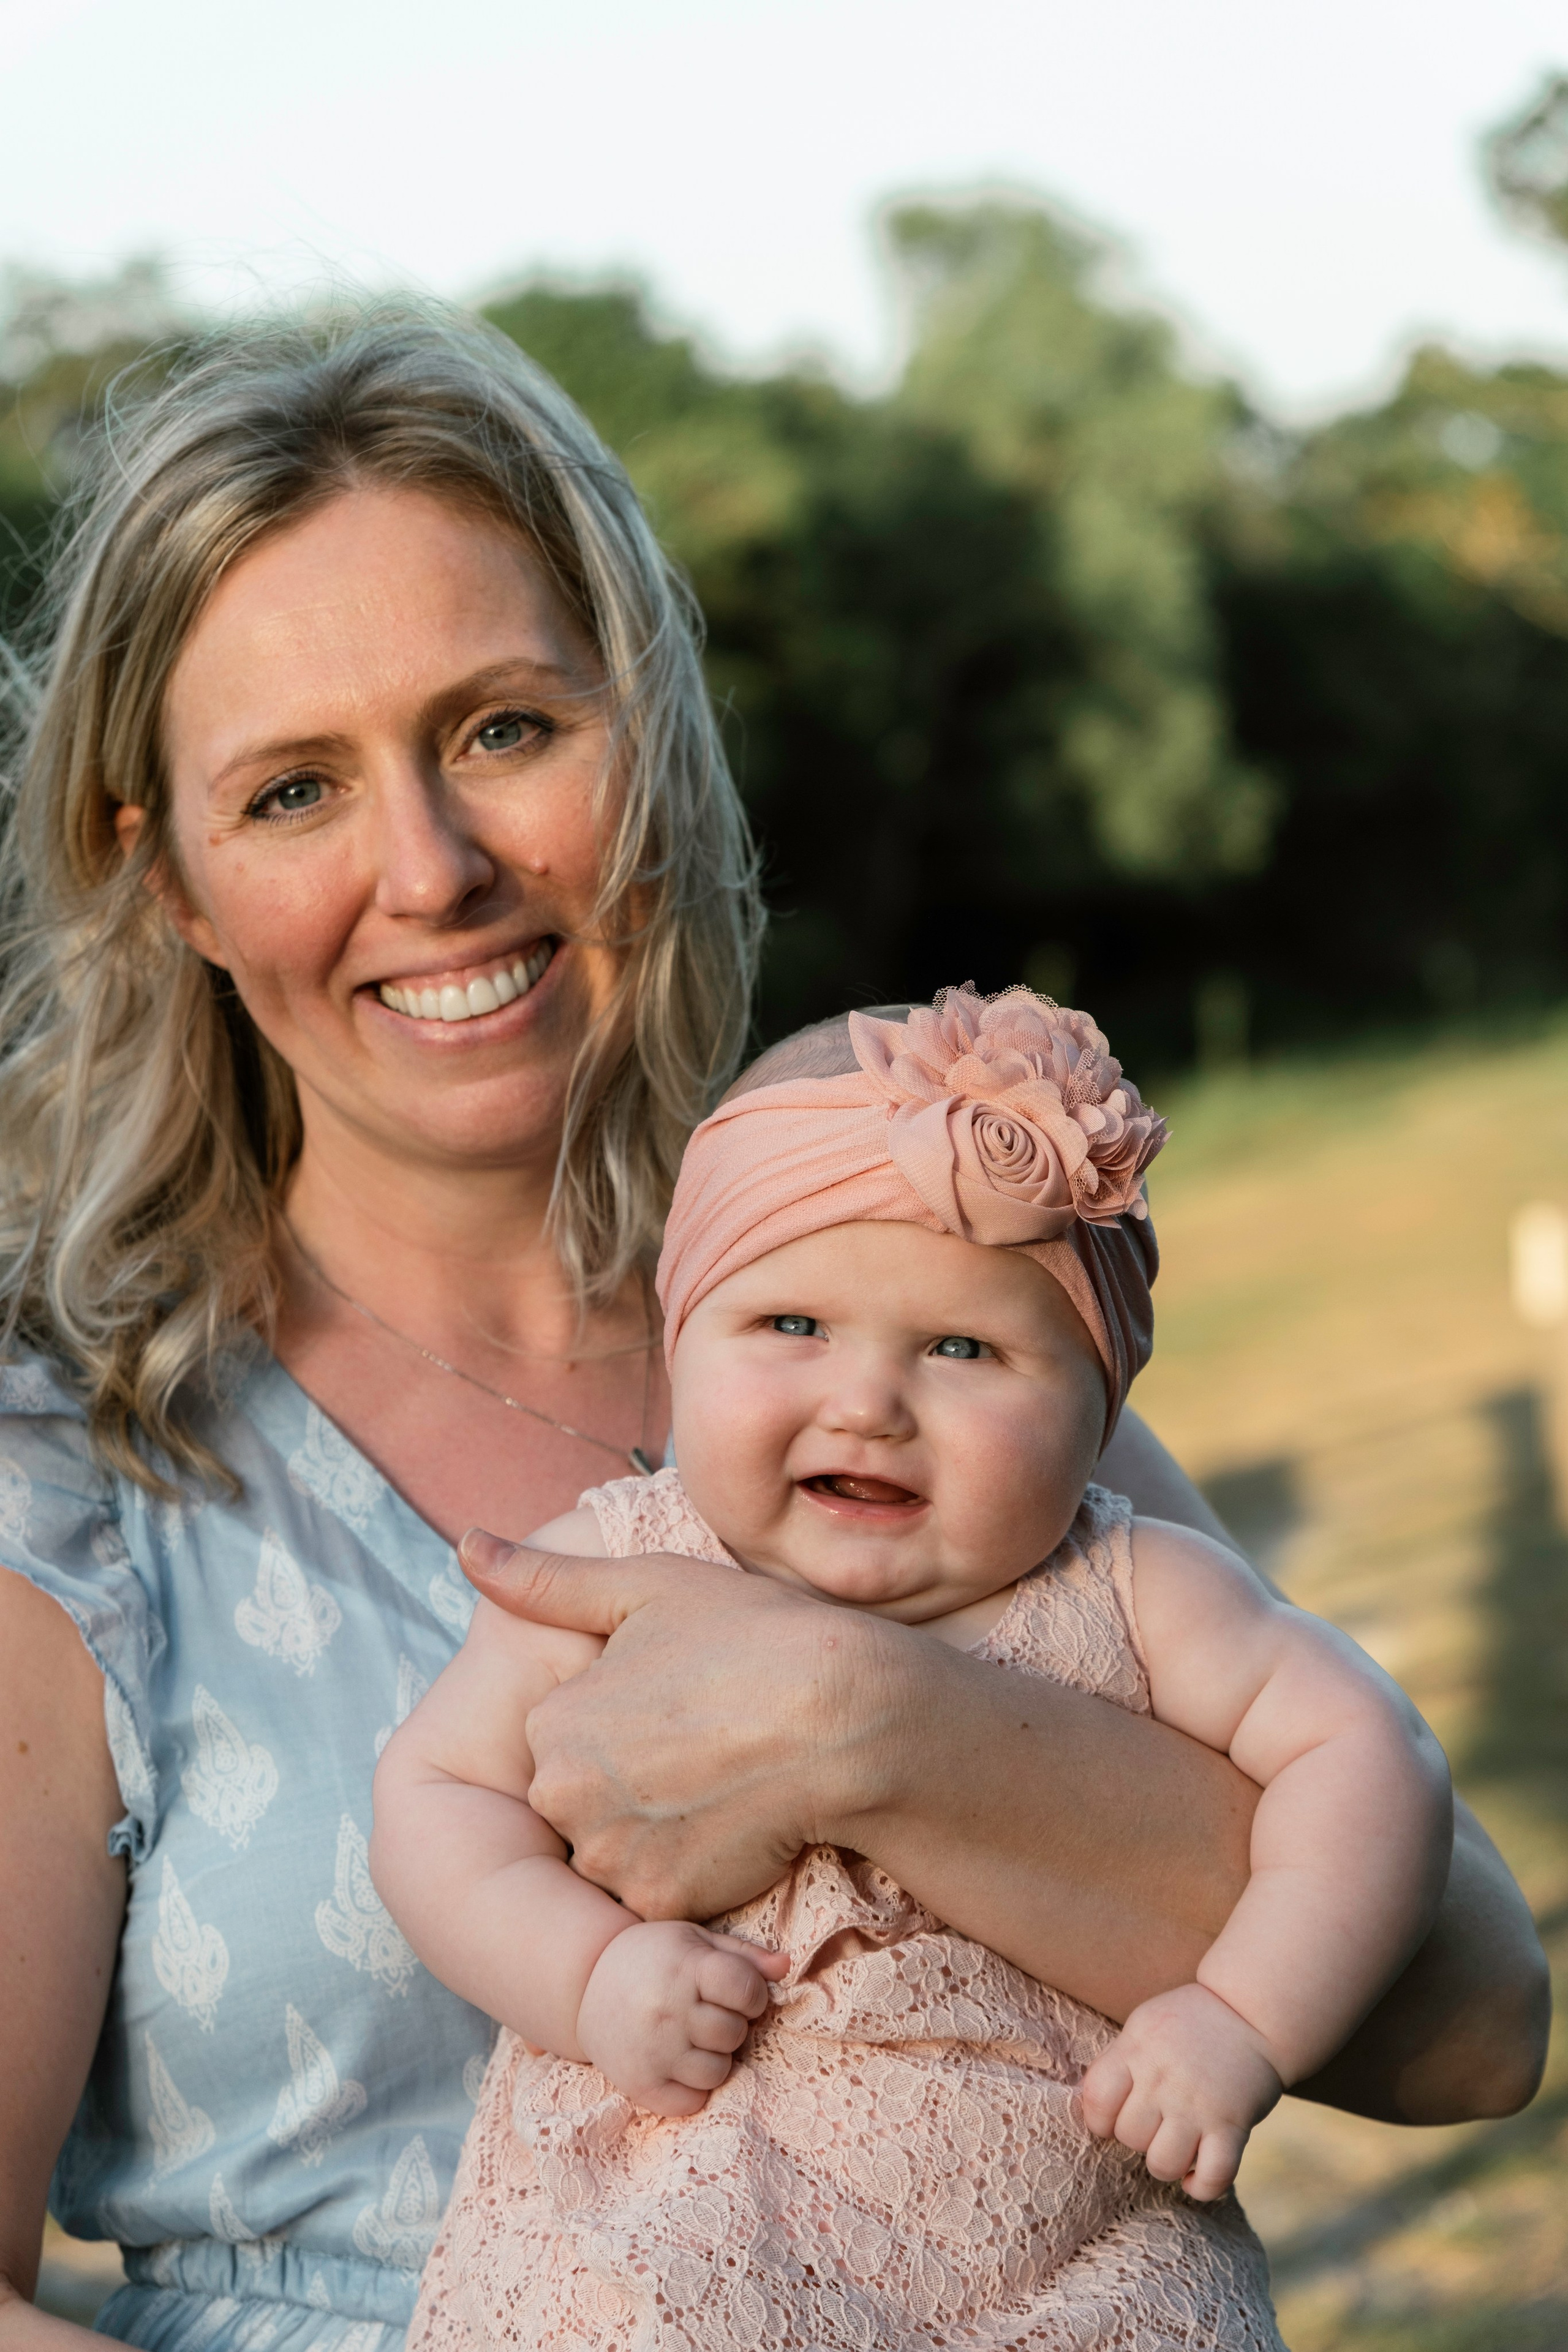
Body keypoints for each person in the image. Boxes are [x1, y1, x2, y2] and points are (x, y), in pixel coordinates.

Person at [0, 306, 1547, 2352]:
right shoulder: (77, 1482)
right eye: (293, 792)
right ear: (168, 874)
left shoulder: (935, 1345)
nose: (437, 870)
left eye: (503, 731)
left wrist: (879, 1730)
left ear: (645, 730)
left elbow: (1464, 2032)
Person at [372, 986, 1450, 2349]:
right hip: (663, 2264)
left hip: (1067, 2272)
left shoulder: (1134, 1590)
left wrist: (1241, 2019)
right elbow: (433, 1795)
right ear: (680, 1342)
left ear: (1094, 1403)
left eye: (962, 1348)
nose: (866, 1402)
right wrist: (582, 1974)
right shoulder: (604, 1572)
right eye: (790, 1328)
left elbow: (1372, 1760)